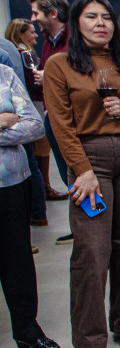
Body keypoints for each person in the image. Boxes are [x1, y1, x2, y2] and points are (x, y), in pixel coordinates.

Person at [43, 0, 120, 348]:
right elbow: (61, 126)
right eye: (91, 16)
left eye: (106, 17)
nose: (100, 23)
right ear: (76, 23)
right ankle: (89, 335)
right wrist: (82, 171)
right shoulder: (61, 65)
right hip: (89, 157)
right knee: (92, 249)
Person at [0, 62, 60, 348]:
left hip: (11, 183)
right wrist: (2, 121)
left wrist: (11, 123)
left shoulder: (4, 73)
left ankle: (27, 330)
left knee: (18, 260)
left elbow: (34, 125)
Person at [28, 0, 76, 242]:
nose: (33, 18)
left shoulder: (76, 39)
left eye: (36, 13)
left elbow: (86, 76)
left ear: (53, 13)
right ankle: (81, 227)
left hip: (72, 118)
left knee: (81, 172)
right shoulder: (49, 41)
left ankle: (93, 227)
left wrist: (51, 76)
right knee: (69, 175)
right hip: (52, 116)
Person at [7, 18, 63, 210]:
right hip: (36, 104)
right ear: (20, 34)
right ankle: (44, 189)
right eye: (31, 32)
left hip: (29, 105)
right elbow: (33, 82)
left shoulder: (15, 53)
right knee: (41, 151)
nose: (35, 35)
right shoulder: (25, 54)